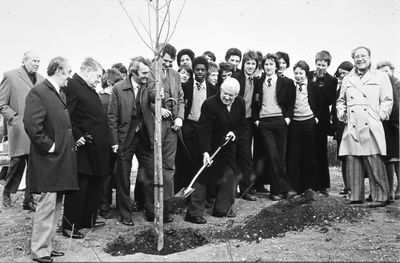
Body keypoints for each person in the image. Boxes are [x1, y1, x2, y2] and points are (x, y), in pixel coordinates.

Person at [24, 56, 78, 263]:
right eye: (68, 72)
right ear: (58, 71)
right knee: (47, 205)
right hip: (49, 160)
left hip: (59, 160)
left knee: (55, 204)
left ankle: (47, 246)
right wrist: (51, 146)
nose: (70, 77)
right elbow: (31, 124)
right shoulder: (39, 92)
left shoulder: (58, 93)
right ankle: (39, 250)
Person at [337, 46, 392, 207]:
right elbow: (341, 101)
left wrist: (380, 115)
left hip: (371, 123)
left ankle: (381, 196)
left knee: (374, 158)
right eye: (357, 57)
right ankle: (355, 196)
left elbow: (388, 100)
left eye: (363, 56)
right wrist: (342, 113)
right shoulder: (347, 78)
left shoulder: (381, 76)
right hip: (352, 123)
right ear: (353, 59)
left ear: (369, 57)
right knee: (352, 159)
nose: (360, 59)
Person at [185, 77, 245, 223]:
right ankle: (193, 213)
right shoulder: (209, 104)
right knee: (202, 177)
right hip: (209, 146)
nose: (226, 97)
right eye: (224, 93)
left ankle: (222, 209)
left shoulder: (240, 103)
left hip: (227, 146)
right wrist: (205, 152)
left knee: (230, 174)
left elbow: (240, 124)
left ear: (236, 95)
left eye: (231, 95)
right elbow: (203, 130)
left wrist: (234, 133)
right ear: (221, 90)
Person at [61, 57, 109, 238]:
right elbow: (67, 114)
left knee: (94, 184)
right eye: (97, 76)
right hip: (83, 146)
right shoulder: (73, 85)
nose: (99, 80)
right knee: (80, 186)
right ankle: (70, 225)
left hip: (95, 147)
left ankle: (87, 220)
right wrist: (77, 135)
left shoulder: (88, 88)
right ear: (87, 71)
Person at [108, 57, 155, 226]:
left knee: (150, 173)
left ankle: (151, 212)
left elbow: (154, 97)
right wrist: (114, 141)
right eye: (143, 73)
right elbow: (112, 117)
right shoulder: (118, 89)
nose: (147, 75)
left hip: (144, 137)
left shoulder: (148, 84)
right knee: (123, 177)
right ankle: (125, 214)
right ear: (133, 73)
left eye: (148, 72)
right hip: (125, 138)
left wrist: (159, 95)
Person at [0, 51, 44, 211]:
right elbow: (2, 103)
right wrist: (13, 118)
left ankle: (29, 200)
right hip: (19, 129)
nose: (37, 63)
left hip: (36, 129)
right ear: (24, 61)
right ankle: (7, 192)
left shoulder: (42, 79)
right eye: (34, 60)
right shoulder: (10, 76)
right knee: (17, 162)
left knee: (34, 165)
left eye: (39, 61)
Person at [147, 43, 185, 222]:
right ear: (157, 56)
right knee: (153, 167)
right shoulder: (148, 73)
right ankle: (152, 210)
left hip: (171, 128)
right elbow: (145, 98)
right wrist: (158, 109)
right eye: (165, 60)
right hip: (154, 127)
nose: (168, 64)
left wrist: (179, 118)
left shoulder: (175, 75)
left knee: (169, 168)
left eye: (171, 62)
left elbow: (181, 98)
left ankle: (166, 210)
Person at [253, 53, 297, 201]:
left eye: (271, 64)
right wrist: (257, 120)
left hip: (280, 121)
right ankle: (286, 189)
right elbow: (254, 103)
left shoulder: (287, 83)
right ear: (263, 67)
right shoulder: (258, 82)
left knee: (280, 156)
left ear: (276, 66)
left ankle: (275, 192)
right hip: (265, 123)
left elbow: (291, 103)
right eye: (266, 64)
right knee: (272, 156)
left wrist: (287, 119)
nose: (268, 67)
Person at [174, 57, 216, 199]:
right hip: (189, 127)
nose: (199, 72)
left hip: (204, 128)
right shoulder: (185, 87)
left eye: (202, 70)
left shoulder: (212, 89)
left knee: (202, 162)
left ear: (206, 71)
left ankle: (203, 196)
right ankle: (183, 194)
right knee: (186, 162)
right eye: (197, 69)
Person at [286, 60, 321, 194]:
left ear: (306, 73)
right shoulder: (290, 86)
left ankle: (309, 187)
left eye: (301, 73)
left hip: (308, 123)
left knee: (309, 155)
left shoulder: (313, 86)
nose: (298, 76)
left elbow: (320, 103)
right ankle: (294, 187)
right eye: (296, 73)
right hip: (294, 123)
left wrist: (316, 118)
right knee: (294, 156)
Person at [308, 50, 338, 196]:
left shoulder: (332, 80)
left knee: (321, 151)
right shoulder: (308, 75)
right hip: (308, 116)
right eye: (318, 64)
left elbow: (328, 100)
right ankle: (309, 183)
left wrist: (320, 83)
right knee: (309, 150)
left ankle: (322, 184)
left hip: (322, 119)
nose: (320, 67)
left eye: (323, 65)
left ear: (328, 65)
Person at [232, 50, 259, 201]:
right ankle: (230, 188)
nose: (250, 66)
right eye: (248, 63)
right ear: (243, 64)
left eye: (253, 64)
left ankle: (246, 189)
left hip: (248, 122)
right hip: (234, 121)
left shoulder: (257, 80)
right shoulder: (236, 78)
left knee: (246, 156)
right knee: (231, 154)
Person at [98, 68, 124, 219]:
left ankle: (105, 205)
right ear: (109, 83)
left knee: (108, 175)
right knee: (107, 175)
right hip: (108, 143)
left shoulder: (100, 98)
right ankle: (104, 206)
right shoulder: (106, 100)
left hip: (109, 142)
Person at [376, 61, 399, 201]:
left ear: (392, 70)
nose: (384, 74)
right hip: (385, 124)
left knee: (395, 158)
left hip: (394, 124)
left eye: (386, 71)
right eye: (381, 72)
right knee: (389, 158)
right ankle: (390, 191)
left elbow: (396, 105)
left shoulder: (397, 84)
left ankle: (396, 189)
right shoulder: (382, 85)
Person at [330, 61, 354, 195]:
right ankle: (347, 186)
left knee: (353, 156)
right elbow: (334, 108)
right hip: (340, 126)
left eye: (344, 73)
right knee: (343, 156)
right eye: (340, 74)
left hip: (352, 125)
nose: (342, 76)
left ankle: (354, 186)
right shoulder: (338, 88)